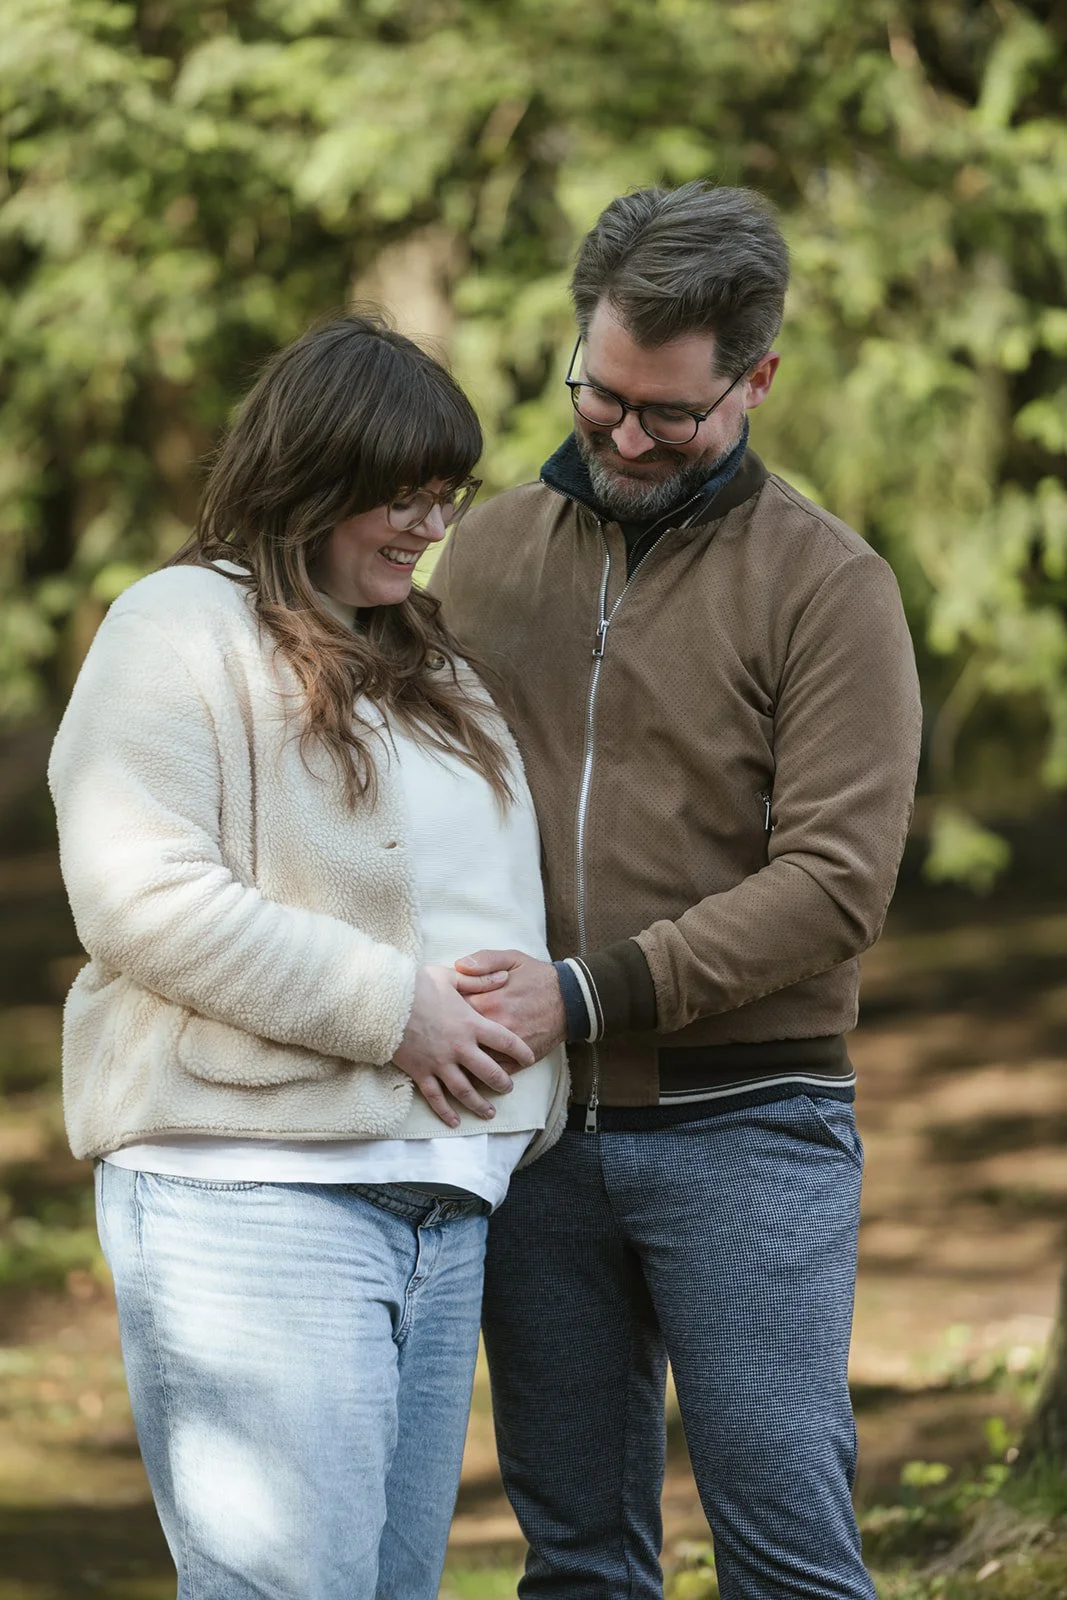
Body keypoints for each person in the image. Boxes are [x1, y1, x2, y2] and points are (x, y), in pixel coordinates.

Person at [431, 183, 923, 1599]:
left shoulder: (829, 587)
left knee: (784, 1552)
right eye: (601, 396)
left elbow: (833, 885)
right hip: (531, 1139)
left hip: (748, 1134)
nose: (625, 438)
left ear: (757, 379)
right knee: (576, 1559)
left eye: (671, 414)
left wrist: (583, 992)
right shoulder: (488, 552)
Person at [48, 312, 567, 1600]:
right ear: (308, 476)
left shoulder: (428, 657)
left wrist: (516, 1085)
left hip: (443, 1203)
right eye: (396, 494)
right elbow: (140, 893)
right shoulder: (178, 624)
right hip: (254, 1197)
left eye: (443, 496)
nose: (425, 523)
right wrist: (395, 1011)